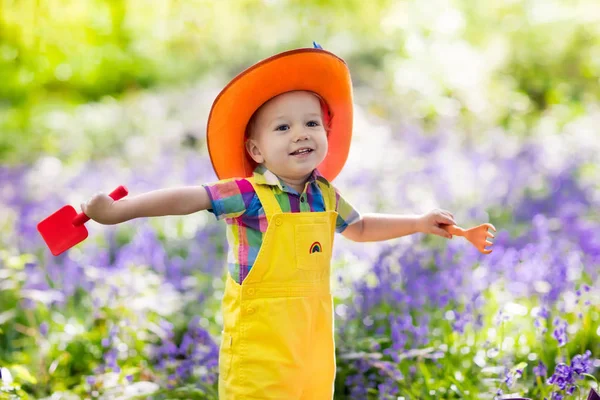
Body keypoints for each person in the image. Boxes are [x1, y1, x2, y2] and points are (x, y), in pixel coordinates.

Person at [81, 43, 456, 400]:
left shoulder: (324, 195)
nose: (301, 133)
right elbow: (187, 198)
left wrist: (419, 222)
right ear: (256, 150)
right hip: (260, 346)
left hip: (312, 344)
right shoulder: (247, 194)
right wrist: (119, 211)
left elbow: (359, 227)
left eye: (311, 123)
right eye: (282, 128)